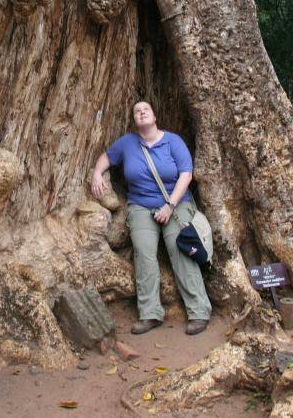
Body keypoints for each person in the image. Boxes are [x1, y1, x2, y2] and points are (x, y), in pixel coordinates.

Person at [91, 101, 212, 335]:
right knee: (144, 253)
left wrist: (169, 206)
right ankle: (150, 314)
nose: (142, 112)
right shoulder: (127, 143)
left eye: (145, 109)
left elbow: (186, 175)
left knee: (180, 249)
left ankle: (199, 312)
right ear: (135, 120)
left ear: (154, 116)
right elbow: (107, 157)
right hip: (141, 207)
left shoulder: (173, 141)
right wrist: (97, 172)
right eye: (137, 111)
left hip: (176, 204)